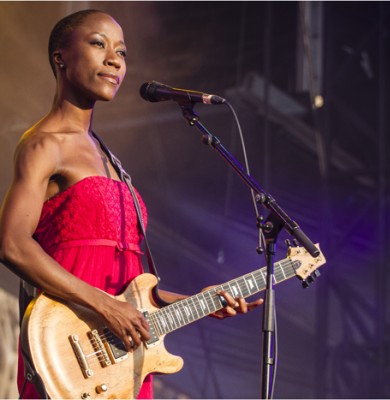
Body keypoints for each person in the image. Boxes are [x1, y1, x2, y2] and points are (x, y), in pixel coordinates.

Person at [0, 9, 263, 399]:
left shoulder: (110, 160)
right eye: (98, 44)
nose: (114, 60)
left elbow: (132, 295)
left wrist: (199, 302)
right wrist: (105, 306)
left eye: (121, 52)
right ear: (60, 57)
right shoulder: (44, 143)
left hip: (124, 357)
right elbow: (12, 244)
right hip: (69, 352)